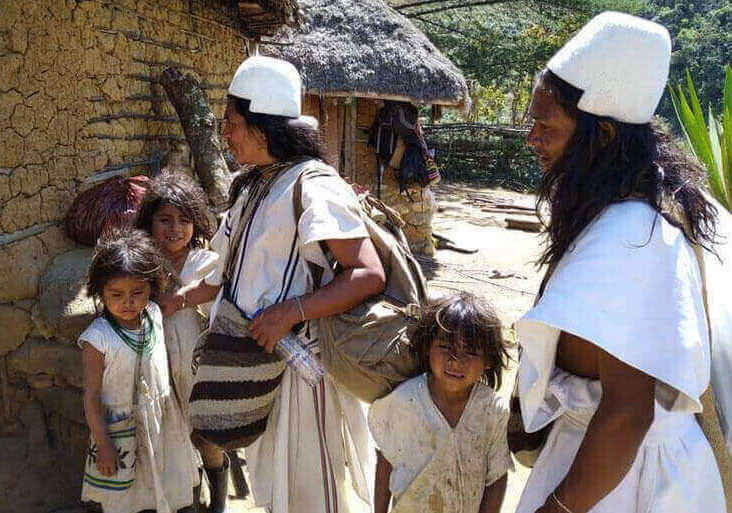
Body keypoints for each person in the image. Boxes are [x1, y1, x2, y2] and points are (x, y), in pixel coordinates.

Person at [514, 11, 726, 513]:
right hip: (611, 465)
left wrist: (557, 509)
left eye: (547, 127)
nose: (533, 139)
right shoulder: (639, 212)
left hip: (620, 481)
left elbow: (627, 414)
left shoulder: (631, 237)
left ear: (603, 137)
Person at [160, 56, 383, 513]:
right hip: (255, 366)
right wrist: (178, 298)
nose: (225, 134)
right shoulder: (251, 186)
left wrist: (289, 312)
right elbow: (227, 273)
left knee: (310, 490)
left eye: (232, 123)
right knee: (276, 486)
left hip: (301, 370)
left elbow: (367, 273)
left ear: (261, 127)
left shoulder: (313, 184)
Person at [80, 227, 200, 513]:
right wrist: (104, 444)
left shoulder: (154, 315)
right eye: (117, 294)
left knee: (166, 489)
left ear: (151, 287)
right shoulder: (97, 338)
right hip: (119, 431)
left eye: (137, 292)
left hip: (162, 423)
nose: (128, 302)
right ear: (101, 291)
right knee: (124, 499)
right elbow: (92, 397)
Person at [369, 292, 512, 513]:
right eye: (446, 347)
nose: (456, 361)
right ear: (428, 347)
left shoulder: (492, 411)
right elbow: (386, 462)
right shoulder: (404, 401)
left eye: (470, 352)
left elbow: (496, 476)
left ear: (488, 359)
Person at [135, 170, 228, 510]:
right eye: (165, 220)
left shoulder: (206, 263)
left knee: (206, 436)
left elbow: (220, 297)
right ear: (150, 223)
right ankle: (187, 496)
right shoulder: (142, 264)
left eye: (184, 220)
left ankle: (218, 495)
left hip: (197, 369)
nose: (175, 229)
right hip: (158, 368)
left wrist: (183, 298)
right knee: (171, 435)